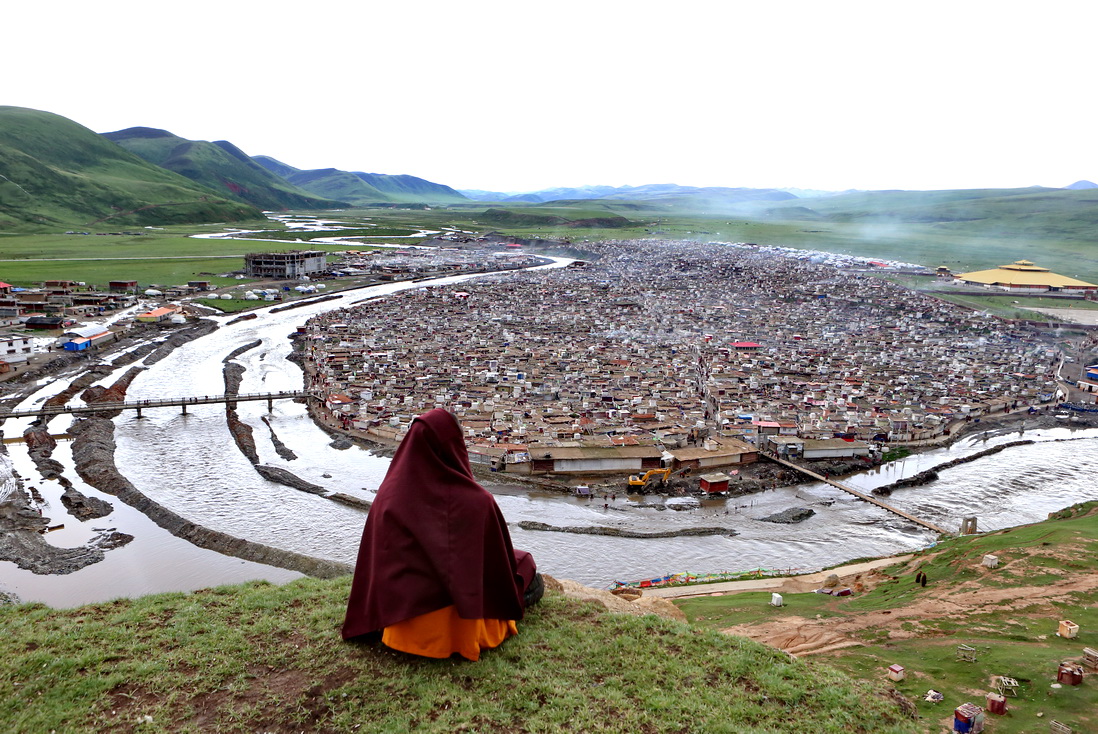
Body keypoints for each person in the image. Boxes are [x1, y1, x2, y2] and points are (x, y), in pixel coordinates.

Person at [341, 408, 541, 661]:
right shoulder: (477, 502)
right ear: (454, 446)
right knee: (526, 567)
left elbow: (377, 565)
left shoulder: (388, 497)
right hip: (461, 630)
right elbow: (495, 568)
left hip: (398, 623)